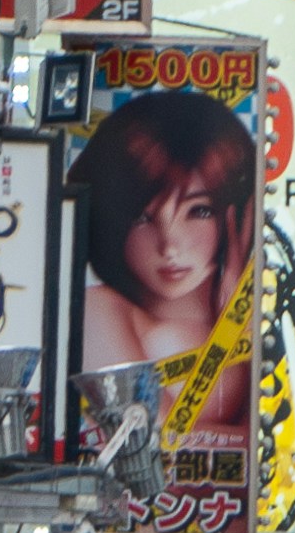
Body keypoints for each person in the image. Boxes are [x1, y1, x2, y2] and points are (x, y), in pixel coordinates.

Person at [71, 90, 258, 427]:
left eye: (198, 211)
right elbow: (145, 435)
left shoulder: (260, 307)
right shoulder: (99, 310)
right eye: (142, 217)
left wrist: (237, 310)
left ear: (237, 214)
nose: (170, 245)